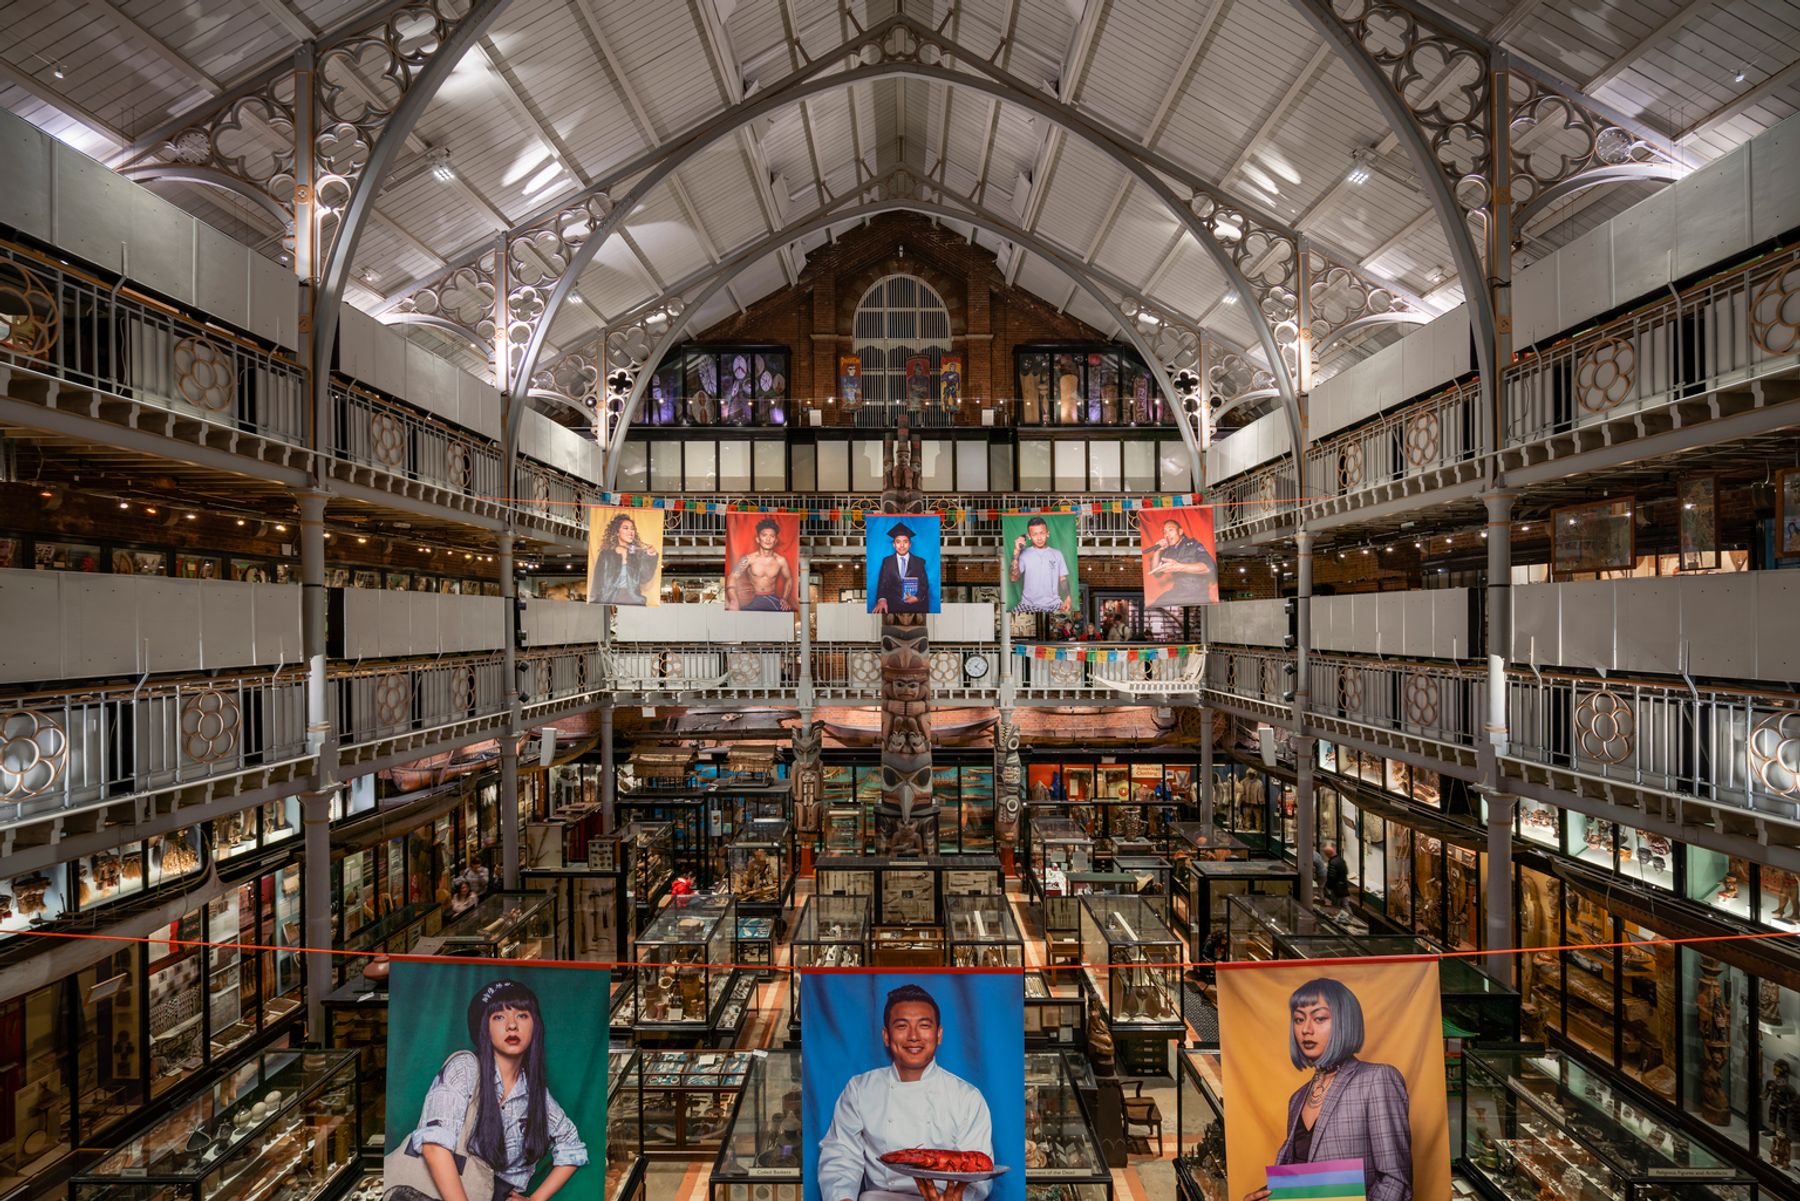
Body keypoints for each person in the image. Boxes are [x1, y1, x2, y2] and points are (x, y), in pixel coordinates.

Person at [402, 979, 587, 1201]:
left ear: (535, 1025)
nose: (512, 1025)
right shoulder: (466, 1068)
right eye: (499, 1017)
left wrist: (535, 1199)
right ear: (484, 1028)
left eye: (522, 1015)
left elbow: (572, 1149)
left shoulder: (534, 1093)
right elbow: (434, 1146)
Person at [817, 983, 994, 1201]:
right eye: (902, 1026)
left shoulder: (967, 1097)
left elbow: (979, 1170)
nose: (913, 1036)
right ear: (886, 1036)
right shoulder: (860, 1089)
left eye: (924, 1026)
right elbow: (841, 1154)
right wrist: (842, 1197)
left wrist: (958, 1197)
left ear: (938, 1035)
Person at [1241, 977, 1412, 1201]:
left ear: (1344, 1022)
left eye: (1319, 1018)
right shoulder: (1298, 1098)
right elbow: (1305, 1180)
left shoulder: (1377, 1079)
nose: (1306, 1029)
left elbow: (1395, 1181)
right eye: (1298, 1019)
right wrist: (1266, 1196)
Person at [728, 517, 797, 611]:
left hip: (771, 597)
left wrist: (784, 598)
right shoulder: (748, 559)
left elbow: (789, 578)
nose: (768, 539)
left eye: (772, 536)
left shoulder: (780, 560)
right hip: (751, 598)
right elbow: (732, 576)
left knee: (787, 612)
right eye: (764, 535)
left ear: (776, 540)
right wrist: (734, 600)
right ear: (757, 539)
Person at [1144, 518, 1216, 606]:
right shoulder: (1169, 551)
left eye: (1171, 530)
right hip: (1179, 592)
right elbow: (1156, 572)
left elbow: (1209, 567)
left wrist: (1179, 567)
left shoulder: (1193, 545)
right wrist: (1157, 551)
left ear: (1180, 531)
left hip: (1197, 593)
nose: (1167, 535)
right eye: (1164, 532)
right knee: (1156, 605)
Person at [593, 513, 659, 605]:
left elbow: (645, 578)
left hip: (633, 600)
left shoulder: (638, 554)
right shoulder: (606, 554)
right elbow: (597, 582)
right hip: (609, 599)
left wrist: (650, 557)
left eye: (632, 529)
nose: (630, 532)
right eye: (625, 528)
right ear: (617, 532)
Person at [1010, 517, 1071, 613]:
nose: (1039, 538)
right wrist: (1016, 553)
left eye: (1042, 533)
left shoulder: (1057, 554)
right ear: (1029, 536)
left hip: (1053, 605)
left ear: (1048, 533)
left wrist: (1068, 597)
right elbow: (1013, 578)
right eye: (1035, 534)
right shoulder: (1024, 554)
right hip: (1027, 604)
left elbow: (1062, 578)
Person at [873, 522, 931, 614]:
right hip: (893, 607)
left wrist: (917, 597)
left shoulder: (919, 562)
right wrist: (881, 599)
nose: (902, 545)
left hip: (915, 608)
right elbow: (882, 584)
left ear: (910, 544)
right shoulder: (887, 561)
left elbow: (924, 584)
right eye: (898, 542)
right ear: (894, 545)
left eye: (905, 542)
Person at [1324, 845, 1350, 915]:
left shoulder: (1332, 862)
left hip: (1336, 888)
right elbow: (1346, 871)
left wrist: (1328, 886)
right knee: (1345, 904)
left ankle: (1337, 920)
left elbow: (1332, 877)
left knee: (1336, 905)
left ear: (1327, 854)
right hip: (1343, 885)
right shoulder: (1341, 860)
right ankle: (1350, 917)